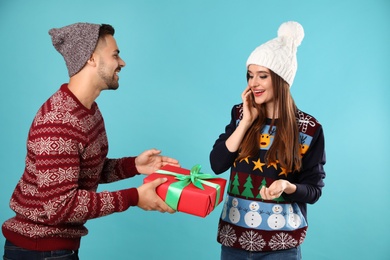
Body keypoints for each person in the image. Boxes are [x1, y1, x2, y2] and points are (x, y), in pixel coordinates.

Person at [2, 22, 179, 260]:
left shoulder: (88, 110)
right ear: (91, 59)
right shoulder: (58, 122)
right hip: (39, 250)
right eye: (115, 54)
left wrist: (135, 166)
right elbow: (61, 207)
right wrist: (134, 197)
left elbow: (82, 171)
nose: (122, 62)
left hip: (55, 248)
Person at [210, 21, 326, 259]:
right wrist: (246, 122)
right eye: (250, 75)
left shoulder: (309, 128)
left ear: (281, 79)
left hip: (281, 247)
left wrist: (287, 186)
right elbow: (217, 163)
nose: (254, 83)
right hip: (234, 241)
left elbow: (313, 190)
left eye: (262, 76)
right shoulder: (240, 114)